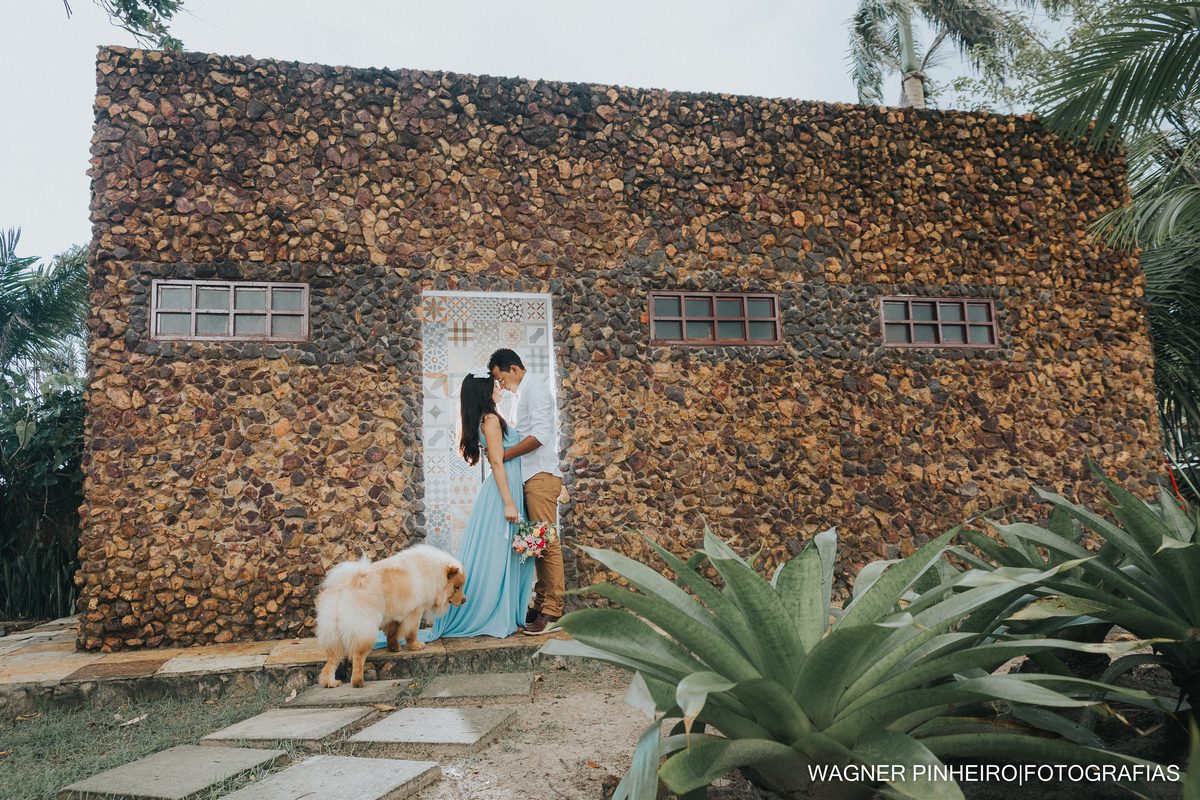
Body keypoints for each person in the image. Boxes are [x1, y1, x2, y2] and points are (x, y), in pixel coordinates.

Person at [373, 374, 534, 649]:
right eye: (495, 385)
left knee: (505, 555)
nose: (500, 388)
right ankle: (498, 615)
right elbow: (497, 463)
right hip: (501, 492)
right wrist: (509, 502)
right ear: (484, 392)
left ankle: (506, 613)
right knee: (500, 555)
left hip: (502, 490)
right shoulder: (491, 420)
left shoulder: (489, 418)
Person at [488, 348, 564, 635]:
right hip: (531, 477)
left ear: (513, 368)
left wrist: (504, 455)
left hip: (541, 476)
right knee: (538, 544)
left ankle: (554, 612)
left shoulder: (535, 390)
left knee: (548, 543)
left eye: (501, 378)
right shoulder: (521, 394)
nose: (501, 384)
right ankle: (541, 601)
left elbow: (541, 436)